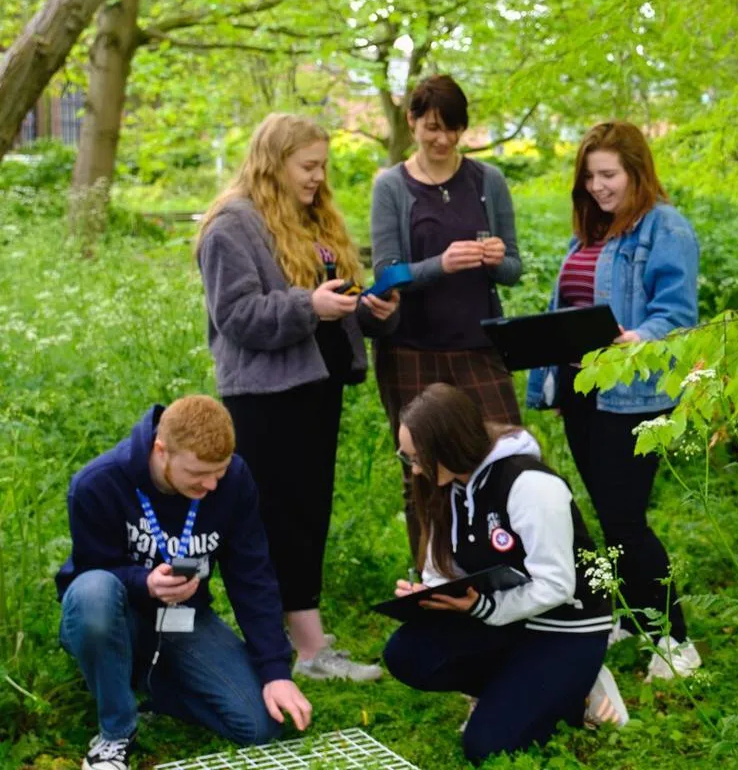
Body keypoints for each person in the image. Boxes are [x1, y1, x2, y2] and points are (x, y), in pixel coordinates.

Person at [196, 113, 398, 683]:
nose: (318, 177)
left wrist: (368, 309)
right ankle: (301, 650)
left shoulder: (310, 219)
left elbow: (331, 302)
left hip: (317, 388)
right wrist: (310, 306)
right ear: (273, 162)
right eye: (308, 166)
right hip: (266, 396)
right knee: (277, 519)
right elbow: (237, 317)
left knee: (308, 513)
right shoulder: (230, 227)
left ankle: (301, 638)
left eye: (323, 166)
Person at [526, 121, 702, 681]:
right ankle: (632, 614)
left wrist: (639, 339)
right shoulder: (591, 232)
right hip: (585, 398)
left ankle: (675, 640)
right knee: (607, 515)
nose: (598, 187)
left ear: (637, 171)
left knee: (626, 522)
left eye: (609, 175)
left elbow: (676, 313)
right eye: (590, 177)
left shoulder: (663, 227)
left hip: (634, 397)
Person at [56, 395, 312, 770]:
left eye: (219, 471)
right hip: (114, 613)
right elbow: (84, 580)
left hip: (182, 620)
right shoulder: (97, 484)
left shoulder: (235, 480)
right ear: (162, 451)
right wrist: (144, 582)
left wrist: (275, 671)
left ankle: (145, 686)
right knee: (95, 592)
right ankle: (115, 734)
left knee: (258, 725)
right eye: (198, 474)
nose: (210, 484)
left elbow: (252, 576)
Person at [382, 383, 627, 766]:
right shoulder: (450, 486)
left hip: (564, 626)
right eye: (406, 456)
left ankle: (578, 686)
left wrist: (482, 606)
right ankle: (523, 689)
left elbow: (557, 585)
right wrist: (428, 594)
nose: (413, 467)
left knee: (487, 747)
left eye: (416, 457)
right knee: (407, 653)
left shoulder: (530, 485)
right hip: (503, 618)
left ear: (448, 447)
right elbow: (441, 568)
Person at [370, 74, 523, 560]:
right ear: (411, 122)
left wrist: (497, 259)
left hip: (477, 345)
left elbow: (514, 270)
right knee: (423, 470)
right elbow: (385, 273)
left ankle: (506, 568)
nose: (443, 139)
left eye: (453, 129)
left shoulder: (487, 181)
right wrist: (442, 264)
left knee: (506, 454)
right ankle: (434, 578)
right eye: (433, 127)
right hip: (410, 350)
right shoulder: (391, 186)